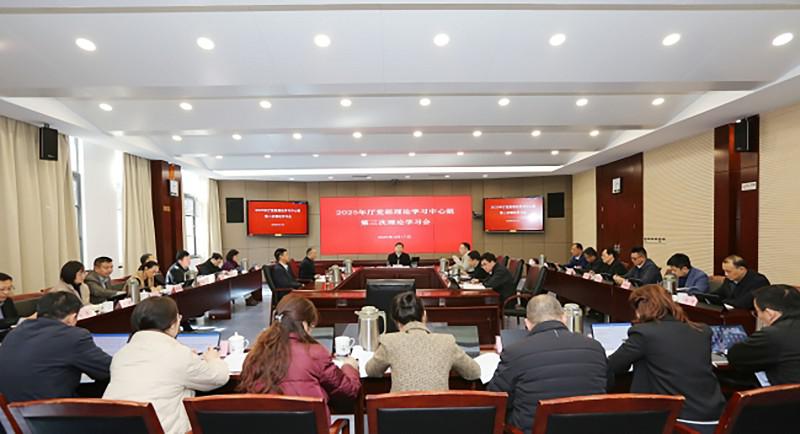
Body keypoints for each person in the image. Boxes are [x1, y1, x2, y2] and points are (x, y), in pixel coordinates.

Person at [608, 285, 725, 434]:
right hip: (715, 414)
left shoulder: (644, 333)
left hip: (678, 419)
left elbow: (613, 365)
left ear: (641, 308)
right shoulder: (702, 330)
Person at [103, 297, 229, 434]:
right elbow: (219, 377)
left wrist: (188, 358)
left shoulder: (121, 354)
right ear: (172, 324)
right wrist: (213, 359)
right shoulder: (178, 354)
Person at [488, 295, 607, 433]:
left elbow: (496, 398)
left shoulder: (515, 352)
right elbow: (607, 383)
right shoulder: (595, 347)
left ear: (527, 324)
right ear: (564, 318)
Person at [238, 294, 361, 421]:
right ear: (304, 325)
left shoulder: (255, 354)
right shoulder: (314, 353)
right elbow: (348, 391)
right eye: (312, 327)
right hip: (308, 427)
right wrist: (349, 366)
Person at [0, 291, 112, 402]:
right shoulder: (73, 337)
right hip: (50, 409)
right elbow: (108, 369)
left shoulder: (15, 332)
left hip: (11, 409)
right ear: (72, 317)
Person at [366, 292, 480, 391]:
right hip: (438, 409)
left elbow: (371, 371)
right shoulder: (447, 342)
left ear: (395, 321)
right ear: (424, 315)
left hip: (400, 409)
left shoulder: (389, 342)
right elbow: (474, 372)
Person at [727, 284, 800, 386]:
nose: (759, 317)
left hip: (785, 394)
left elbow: (735, 357)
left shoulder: (773, 334)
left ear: (769, 314)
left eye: (757, 312)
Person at [0, 273, 20, 342]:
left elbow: (13, 319)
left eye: (9, 288)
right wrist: (22, 319)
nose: (6, 292)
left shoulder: (7, 301)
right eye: (2, 289)